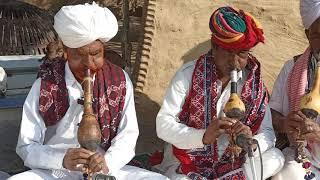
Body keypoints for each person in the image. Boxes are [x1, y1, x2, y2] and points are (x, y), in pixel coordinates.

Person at [8, 2, 168, 180]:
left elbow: (127, 137)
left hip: (106, 170)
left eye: (96, 54)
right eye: (78, 55)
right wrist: (61, 159)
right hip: (57, 171)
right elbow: (26, 146)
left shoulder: (118, 79)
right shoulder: (46, 84)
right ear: (66, 52)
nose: (89, 64)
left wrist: (107, 162)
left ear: (103, 50)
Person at [155, 6, 284, 180]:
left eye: (242, 54)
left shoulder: (253, 82)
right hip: (188, 161)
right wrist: (202, 136)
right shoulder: (187, 75)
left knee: (277, 158)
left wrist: (249, 142)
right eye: (229, 53)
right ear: (214, 47)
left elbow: (268, 132)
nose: (235, 62)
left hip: (232, 162)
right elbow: (163, 125)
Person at [271, 0, 320, 179]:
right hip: (303, 158)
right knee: (287, 174)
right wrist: (284, 123)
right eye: (318, 35)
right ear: (308, 35)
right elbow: (272, 114)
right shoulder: (291, 68)